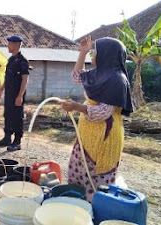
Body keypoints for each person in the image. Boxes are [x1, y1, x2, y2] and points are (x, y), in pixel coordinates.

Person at [60, 36, 133, 201]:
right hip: (87, 133)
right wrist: (82, 53)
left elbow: (104, 112)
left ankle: (93, 213)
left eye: (94, 52)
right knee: (79, 172)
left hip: (104, 136)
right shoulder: (98, 74)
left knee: (96, 180)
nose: (92, 56)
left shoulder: (117, 79)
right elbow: (77, 76)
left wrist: (77, 107)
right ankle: (77, 207)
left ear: (106, 54)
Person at [0, 36, 29, 151]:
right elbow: (7, 77)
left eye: (10, 44)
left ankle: (17, 141)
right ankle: (7, 138)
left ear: (17, 45)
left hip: (17, 94)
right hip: (9, 94)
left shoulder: (22, 61)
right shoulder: (10, 60)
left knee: (17, 117)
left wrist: (20, 96)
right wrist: (1, 89)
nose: (8, 46)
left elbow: (25, 79)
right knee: (8, 115)